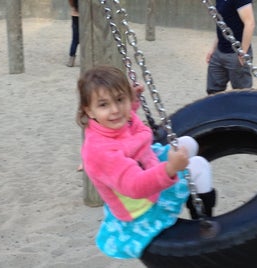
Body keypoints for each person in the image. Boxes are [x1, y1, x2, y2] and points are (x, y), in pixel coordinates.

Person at [77, 65, 216, 258]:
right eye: (103, 105)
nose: (115, 110)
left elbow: (125, 117)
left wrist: (132, 101)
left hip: (145, 161)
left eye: (120, 99)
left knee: (188, 143)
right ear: (89, 111)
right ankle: (205, 224)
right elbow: (135, 186)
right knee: (199, 166)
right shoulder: (101, 152)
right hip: (142, 201)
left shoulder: (110, 121)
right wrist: (170, 169)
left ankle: (196, 201)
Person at [205, 0, 256, 95]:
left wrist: (243, 52)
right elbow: (223, 26)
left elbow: (250, 23)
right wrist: (213, 49)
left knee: (242, 95)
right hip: (219, 52)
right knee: (212, 92)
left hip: (236, 54)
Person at [66, 0, 80, 67]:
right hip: (86, 15)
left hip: (75, 14)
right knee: (87, 39)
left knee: (75, 39)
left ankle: (71, 60)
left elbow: (71, 3)